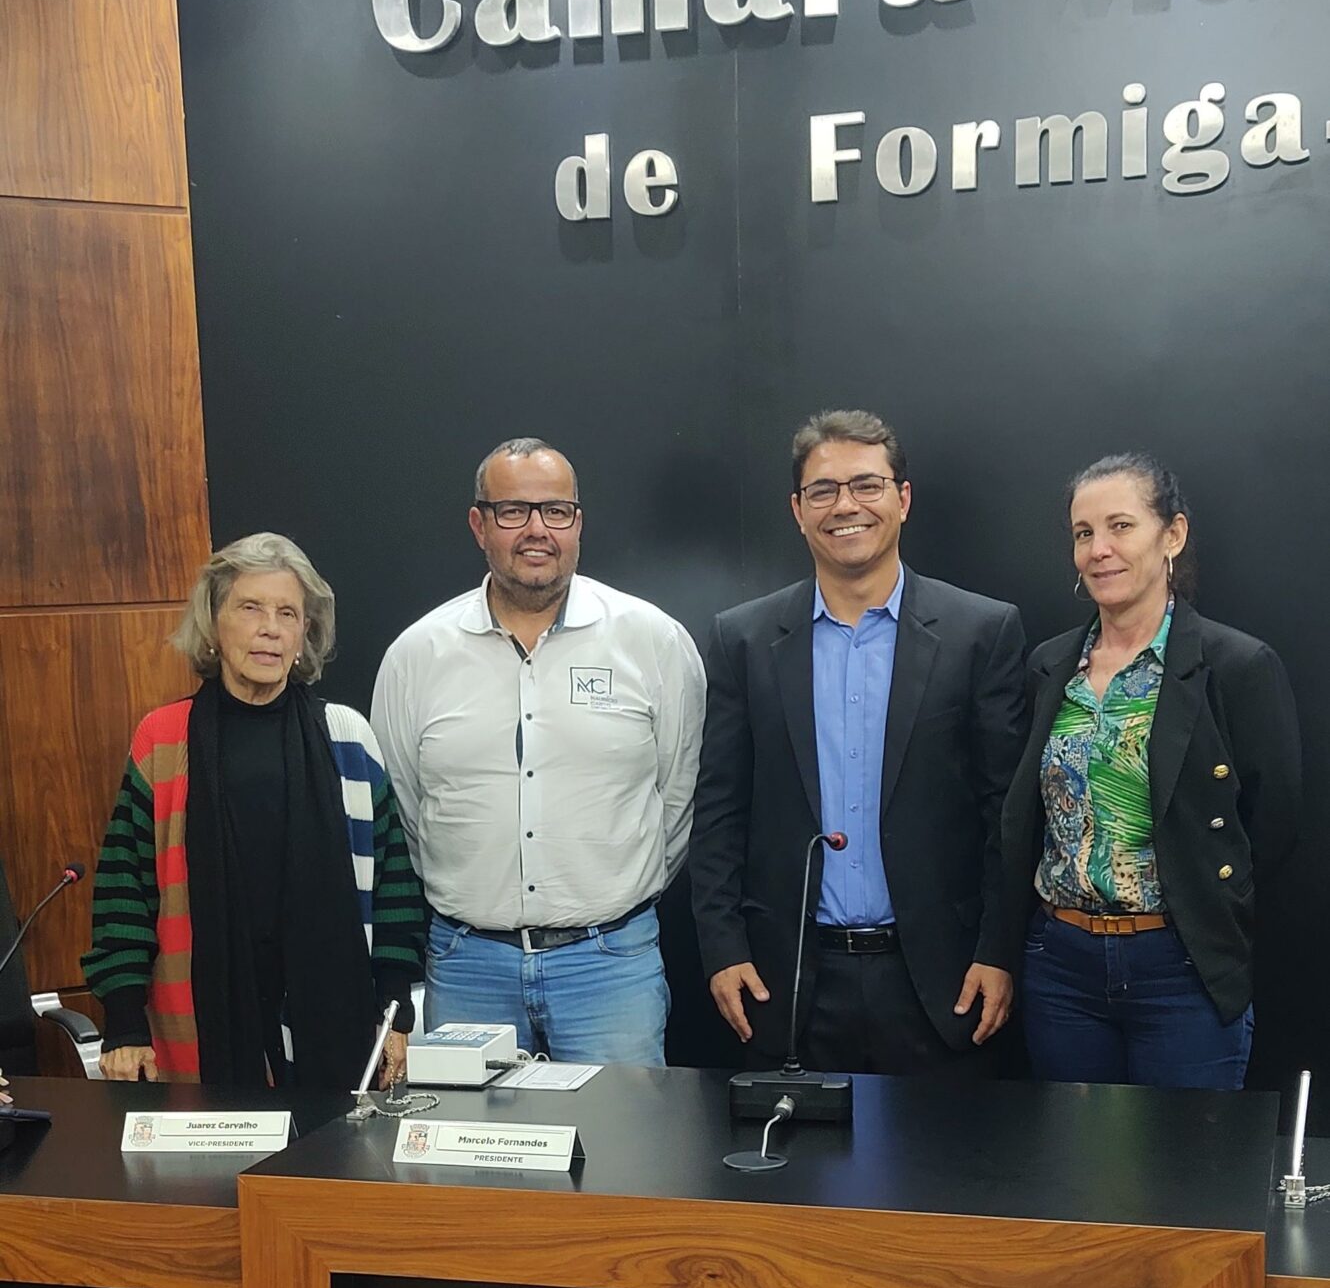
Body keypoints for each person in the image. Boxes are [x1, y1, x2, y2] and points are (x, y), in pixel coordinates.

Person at [690, 409, 1026, 1074]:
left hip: (941, 982)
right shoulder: (745, 640)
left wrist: (999, 950)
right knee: (796, 1178)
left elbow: (1006, 816)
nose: (846, 505)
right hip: (787, 983)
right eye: (824, 490)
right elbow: (720, 810)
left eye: (867, 485)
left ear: (903, 499)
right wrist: (723, 948)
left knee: (943, 1176)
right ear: (797, 509)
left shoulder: (980, 633)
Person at [371, 438, 706, 1064]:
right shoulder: (417, 656)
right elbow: (408, 812)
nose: (537, 531)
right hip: (467, 965)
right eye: (512, 511)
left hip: (611, 966)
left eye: (556, 511)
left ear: (577, 522)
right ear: (478, 524)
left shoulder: (652, 641)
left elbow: (678, 794)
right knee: (468, 1161)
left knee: (623, 1156)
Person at [84, 533, 426, 1094]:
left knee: (331, 1169)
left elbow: (394, 890)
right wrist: (123, 1021)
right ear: (215, 625)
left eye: (287, 613)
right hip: (199, 1016)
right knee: (213, 1178)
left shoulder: (348, 739)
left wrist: (395, 1012)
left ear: (303, 635)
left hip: (334, 1020)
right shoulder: (163, 739)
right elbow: (124, 891)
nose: (270, 627)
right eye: (250, 608)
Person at [1002, 453, 1301, 1089]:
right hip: (1061, 969)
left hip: (1182, 966)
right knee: (1074, 1179)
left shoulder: (1238, 666)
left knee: (1185, 1176)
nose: (1099, 550)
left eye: (1120, 526)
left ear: (1173, 536)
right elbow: (1023, 820)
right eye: (1084, 533)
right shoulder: (1050, 667)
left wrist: (1209, 920)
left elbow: (1272, 829)